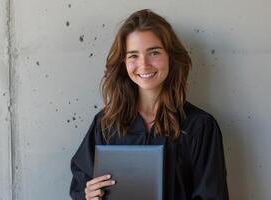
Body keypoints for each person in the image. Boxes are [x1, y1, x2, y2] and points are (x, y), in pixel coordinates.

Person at [70, 9, 229, 200]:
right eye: (133, 55)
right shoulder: (106, 124)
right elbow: (81, 184)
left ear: (171, 56)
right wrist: (88, 195)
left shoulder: (199, 127)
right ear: (123, 62)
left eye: (154, 52)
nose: (144, 65)